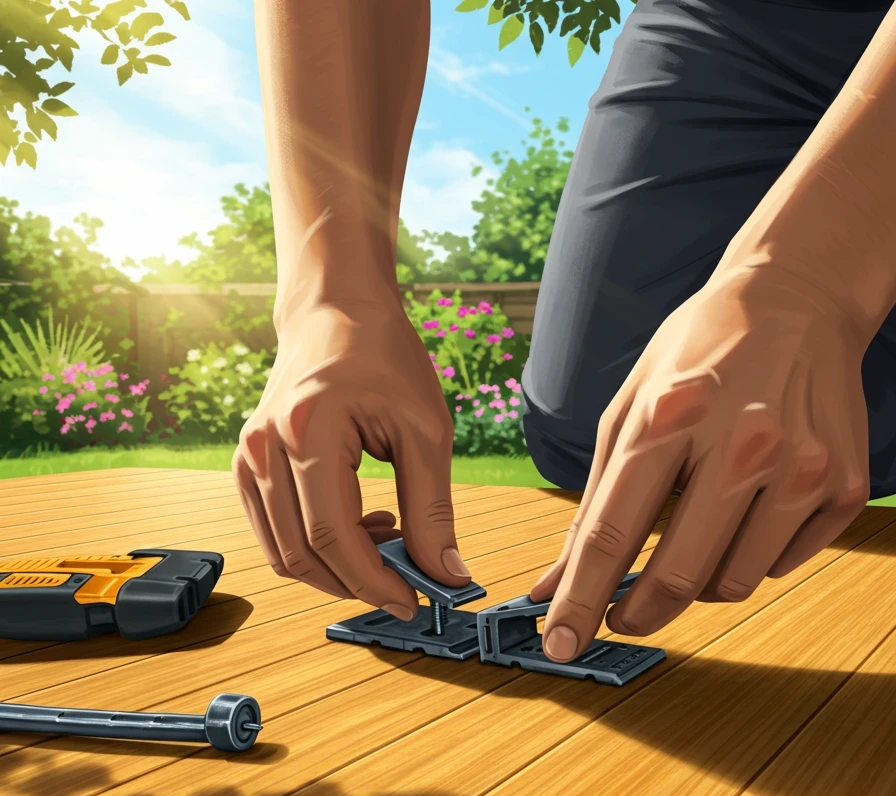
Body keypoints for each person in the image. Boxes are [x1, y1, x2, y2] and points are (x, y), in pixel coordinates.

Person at [234, 0, 896, 665]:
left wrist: (809, 286)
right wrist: (331, 297)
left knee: (823, 416)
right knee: (595, 427)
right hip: (740, 18)